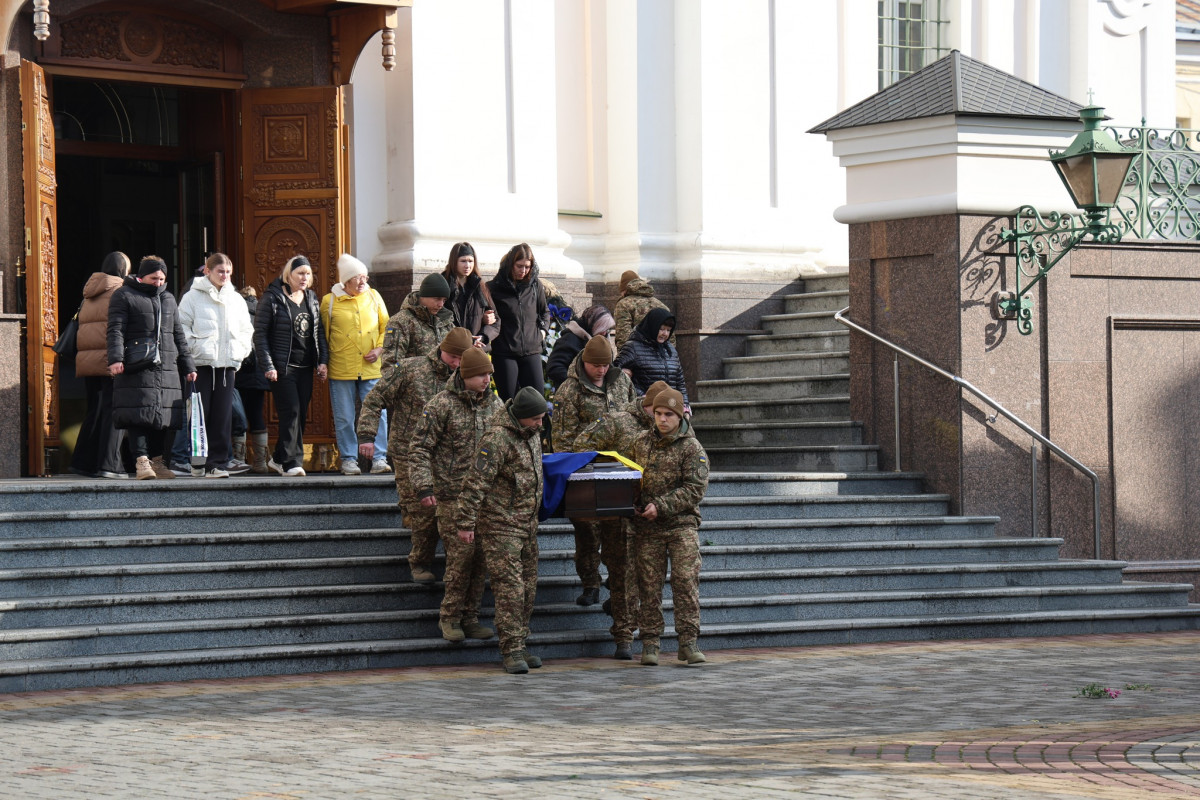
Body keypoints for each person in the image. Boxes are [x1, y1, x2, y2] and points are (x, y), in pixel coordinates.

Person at [358, 327, 473, 582]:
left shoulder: (467, 376)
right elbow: (375, 399)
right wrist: (367, 436)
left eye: (461, 360)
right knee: (422, 510)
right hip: (408, 451)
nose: (456, 364)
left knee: (449, 510)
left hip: (448, 456)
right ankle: (420, 563)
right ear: (442, 349)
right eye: (453, 358)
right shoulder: (411, 369)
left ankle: (455, 568)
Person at [408, 346, 504, 643]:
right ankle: (449, 618)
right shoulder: (440, 406)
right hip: (451, 496)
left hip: (484, 499)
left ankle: (471, 617)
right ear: (465, 376)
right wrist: (424, 487)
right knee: (460, 560)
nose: (487, 379)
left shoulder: (496, 406)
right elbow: (420, 448)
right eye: (481, 375)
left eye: (489, 374)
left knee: (480, 562)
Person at [551, 336, 637, 650]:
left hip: (618, 473)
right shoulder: (569, 391)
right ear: (584, 362)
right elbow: (561, 439)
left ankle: (617, 591)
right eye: (595, 365)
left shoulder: (621, 384)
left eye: (605, 365)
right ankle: (590, 582)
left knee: (619, 537)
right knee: (587, 533)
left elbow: (633, 420)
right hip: (584, 471)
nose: (600, 370)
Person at [455, 386, 547, 675]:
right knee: (510, 590)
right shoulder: (496, 440)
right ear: (521, 417)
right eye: (536, 418)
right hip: (500, 526)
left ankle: (520, 642)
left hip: (526, 525)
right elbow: (475, 483)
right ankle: (510, 650)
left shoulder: (531, 435)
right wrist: (466, 523)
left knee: (528, 589)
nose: (540, 424)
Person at [630, 388, 709, 666]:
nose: (662, 419)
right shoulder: (640, 442)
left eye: (668, 415)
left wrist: (661, 506)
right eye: (659, 414)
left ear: (679, 416)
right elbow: (630, 477)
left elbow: (694, 489)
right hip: (647, 529)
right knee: (648, 586)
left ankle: (688, 642)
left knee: (685, 581)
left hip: (680, 526)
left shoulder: (692, 448)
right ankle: (650, 644)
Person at [107, 256, 197, 480]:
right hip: (137, 365)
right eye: (153, 278)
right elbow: (115, 329)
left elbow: (178, 334)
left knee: (163, 417)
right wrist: (116, 358)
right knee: (138, 414)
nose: (158, 282)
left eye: (162, 278)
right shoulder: (124, 295)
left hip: (166, 366)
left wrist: (188, 365)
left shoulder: (168, 299)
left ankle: (158, 461)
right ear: (141, 276)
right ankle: (142, 462)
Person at [178, 252, 255, 478]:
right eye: (220, 271)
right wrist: (195, 351)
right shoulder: (192, 297)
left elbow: (246, 330)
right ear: (207, 271)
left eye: (228, 272)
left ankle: (217, 464)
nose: (225, 276)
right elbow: (182, 329)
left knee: (223, 416)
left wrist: (239, 353)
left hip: (226, 367)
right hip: (200, 366)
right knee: (200, 415)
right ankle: (198, 463)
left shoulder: (236, 299)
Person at [253, 254, 328, 477]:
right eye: (300, 274)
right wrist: (268, 364)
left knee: (301, 413)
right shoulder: (272, 298)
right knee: (291, 411)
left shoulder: (312, 298)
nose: (304, 278)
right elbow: (260, 335)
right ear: (289, 274)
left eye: (307, 274)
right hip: (282, 367)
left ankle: (277, 458)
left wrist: (322, 361)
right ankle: (292, 463)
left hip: (305, 367)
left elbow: (319, 333)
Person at [322, 253, 390, 476]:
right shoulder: (329, 301)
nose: (363, 282)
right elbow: (323, 335)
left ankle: (380, 458)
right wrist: (323, 363)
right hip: (341, 367)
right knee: (344, 416)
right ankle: (349, 459)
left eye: (365, 277)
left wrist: (379, 348)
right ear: (346, 280)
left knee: (377, 413)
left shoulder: (374, 296)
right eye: (357, 278)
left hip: (371, 367)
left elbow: (386, 327)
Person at [70, 252, 134, 478]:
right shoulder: (120, 291)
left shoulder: (89, 293)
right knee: (114, 412)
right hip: (110, 360)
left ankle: (82, 463)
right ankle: (109, 465)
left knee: (94, 412)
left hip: (88, 360)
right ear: (122, 269)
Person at [486, 243, 550, 401]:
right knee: (509, 402)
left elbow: (544, 312)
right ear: (510, 264)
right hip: (505, 353)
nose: (523, 271)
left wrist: (542, 332)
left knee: (537, 402)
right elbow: (489, 319)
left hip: (531, 351)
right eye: (519, 266)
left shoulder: (535, 286)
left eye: (527, 267)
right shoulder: (493, 288)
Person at [615, 306, 689, 410]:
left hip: (670, 408)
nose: (665, 334)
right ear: (652, 326)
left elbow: (680, 382)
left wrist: (685, 406)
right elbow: (616, 373)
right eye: (662, 329)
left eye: (668, 330)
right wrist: (644, 398)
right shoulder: (633, 347)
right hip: (644, 408)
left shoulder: (671, 350)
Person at [381, 273, 455, 373]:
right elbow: (390, 366)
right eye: (437, 299)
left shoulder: (445, 320)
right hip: (413, 387)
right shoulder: (401, 321)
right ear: (423, 297)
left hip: (442, 386)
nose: (441, 304)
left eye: (444, 300)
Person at [235, 286, 270, 473]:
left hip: (240, 372)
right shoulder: (263, 312)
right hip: (259, 372)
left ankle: (239, 459)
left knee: (237, 416)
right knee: (257, 415)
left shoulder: (236, 311)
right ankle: (260, 463)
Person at [441, 242, 499, 349]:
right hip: (452, 350)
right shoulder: (443, 285)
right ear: (454, 262)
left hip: (477, 349)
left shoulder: (480, 287)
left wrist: (483, 337)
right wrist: (464, 339)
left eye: (470, 261)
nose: (467, 265)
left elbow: (496, 322)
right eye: (463, 261)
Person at [546, 304, 616, 389]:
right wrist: (578, 384)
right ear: (592, 325)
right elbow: (554, 368)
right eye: (601, 329)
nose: (604, 333)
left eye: (607, 329)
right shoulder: (569, 340)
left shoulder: (603, 341)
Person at [613, 270, 671, 350]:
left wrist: (624, 359)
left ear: (624, 290)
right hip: (661, 357)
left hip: (637, 358)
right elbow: (671, 338)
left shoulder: (623, 304)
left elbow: (623, 337)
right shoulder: (661, 305)